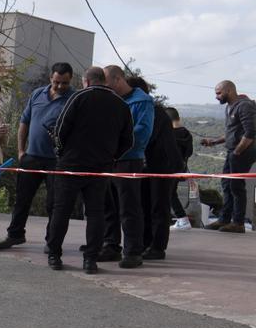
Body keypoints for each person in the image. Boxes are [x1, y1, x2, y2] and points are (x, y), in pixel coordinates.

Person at [46, 67, 133, 274]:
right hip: (100, 167)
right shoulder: (121, 105)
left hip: (71, 165)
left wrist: (61, 153)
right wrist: (112, 158)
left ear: (86, 81)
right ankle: (90, 260)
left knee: (61, 211)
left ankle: (54, 255)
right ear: (104, 81)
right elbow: (128, 140)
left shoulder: (78, 98)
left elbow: (60, 129)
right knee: (96, 214)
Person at [0, 63, 74, 250]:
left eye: (64, 83)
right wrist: (21, 151)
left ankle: (52, 241)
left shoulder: (74, 98)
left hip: (56, 161)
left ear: (70, 80)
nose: (59, 87)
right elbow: (24, 122)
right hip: (31, 157)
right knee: (22, 199)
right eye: (56, 82)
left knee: (54, 203)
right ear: (50, 78)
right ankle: (15, 235)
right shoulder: (37, 94)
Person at [101, 65, 154, 267]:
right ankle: (110, 245)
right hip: (108, 160)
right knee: (108, 206)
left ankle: (133, 251)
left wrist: (114, 141)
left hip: (129, 159)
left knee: (128, 207)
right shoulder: (109, 100)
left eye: (106, 83)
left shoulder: (143, 101)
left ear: (117, 80)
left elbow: (142, 132)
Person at [127, 77, 179, 260]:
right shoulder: (149, 110)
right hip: (148, 166)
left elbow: (146, 137)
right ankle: (145, 243)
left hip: (161, 167)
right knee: (145, 205)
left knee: (159, 206)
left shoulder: (153, 111)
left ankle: (157, 247)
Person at [201, 80, 256, 234]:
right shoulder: (229, 107)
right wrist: (213, 142)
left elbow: (250, 133)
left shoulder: (244, 106)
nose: (216, 97)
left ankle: (238, 223)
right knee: (226, 184)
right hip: (233, 151)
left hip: (242, 152)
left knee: (236, 187)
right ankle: (224, 219)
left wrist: (238, 151)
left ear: (229, 91)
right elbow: (231, 132)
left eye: (219, 93)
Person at [167, 107, 194, 230]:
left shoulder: (169, 135)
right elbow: (190, 152)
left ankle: (182, 219)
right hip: (180, 168)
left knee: (169, 194)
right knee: (171, 193)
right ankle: (181, 219)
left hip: (168, 169)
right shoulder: (187, 134)